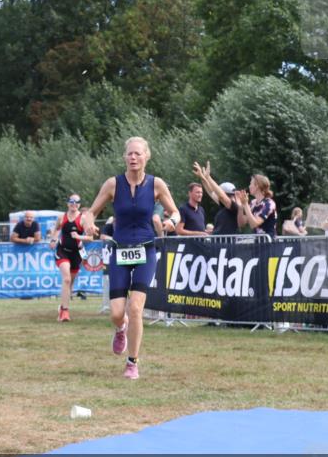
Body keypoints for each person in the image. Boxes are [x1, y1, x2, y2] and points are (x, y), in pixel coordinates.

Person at [83, 136, 180, 380]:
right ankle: (121, 328)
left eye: (138, 153)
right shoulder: (113, 184)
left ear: (147, 156)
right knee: (117, 312)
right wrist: (88, 224)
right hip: (120, 250)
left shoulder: (156, 184)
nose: (133, 158)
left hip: (146, 250)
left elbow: (176, 212)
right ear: (125, 157)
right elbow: (91, 212)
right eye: (130, 154)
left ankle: (132, 362)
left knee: (135, 307)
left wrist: (172, 222)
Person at [49, 195, 89, 322]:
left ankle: (62, 307)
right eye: (71, 201)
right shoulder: (62, 217)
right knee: (66, 279)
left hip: (76, 254)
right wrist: (54, 239)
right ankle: (65, 312)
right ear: (67, 204)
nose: (74, 204)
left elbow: (90, 237)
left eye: (77, 202)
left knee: (70, 283)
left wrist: (79, 236)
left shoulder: (83, 219)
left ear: (79, 204)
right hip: (62, 251)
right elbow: (56, 229)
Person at [192, 162, 241, 236]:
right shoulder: (224, 205)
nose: (217, 194)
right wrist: (202, 176)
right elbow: (211, 191)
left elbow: (221, 196)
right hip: (218, 242)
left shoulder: (234, 206)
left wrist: (209, 177)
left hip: (226, 244)